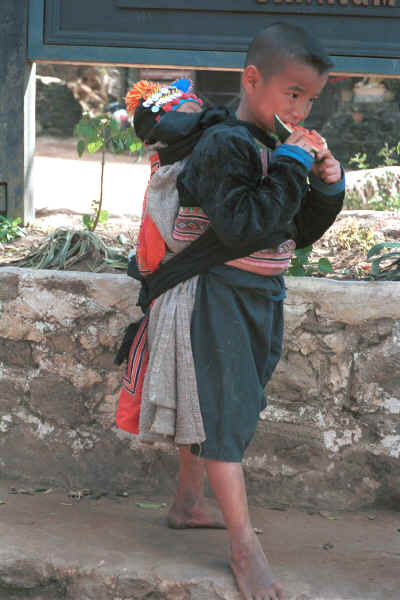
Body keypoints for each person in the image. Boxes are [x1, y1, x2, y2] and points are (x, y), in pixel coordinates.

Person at [116, 23, 345, 600]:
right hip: (214, 295)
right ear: (251, 79)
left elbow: (296, 232)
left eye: (310, 99)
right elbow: (244, 225)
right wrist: (293, 161)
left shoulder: (273, 146)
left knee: (227, 404)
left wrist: (325, 184)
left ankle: (187, 505)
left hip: (259, 298)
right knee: (221, 414)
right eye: (292, 94)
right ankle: (246, 552)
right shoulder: (226, 146)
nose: (301, 107)